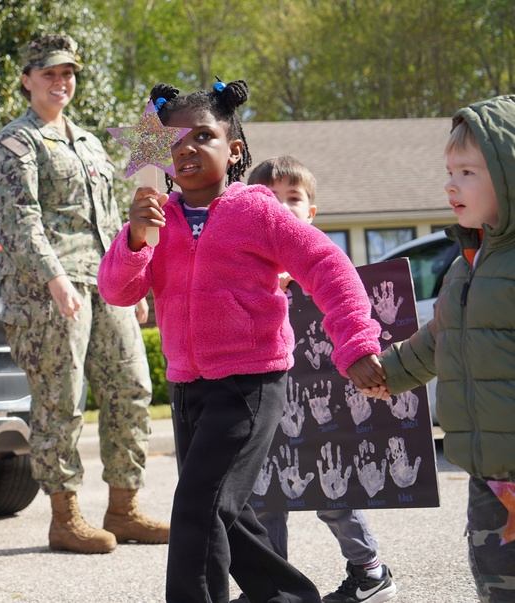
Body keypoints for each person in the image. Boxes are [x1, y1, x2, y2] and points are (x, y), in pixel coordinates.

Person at [96, 80, 386, 603]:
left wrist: (356, 343)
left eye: (201, 136)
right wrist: (134, 240)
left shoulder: (257, 211)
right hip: (188, 388)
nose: (185, 149)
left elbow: (328, 267)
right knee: (227, 515)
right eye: (174, 141)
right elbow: (118, 291)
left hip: (249, 384)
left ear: (233, 149)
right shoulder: (157, 218)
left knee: (198, 508)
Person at [0, 33, 168, 555]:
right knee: (61, 401)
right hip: (48, 290)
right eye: (49, 73)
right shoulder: (16, 143)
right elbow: (20, 222)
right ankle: (65, 518)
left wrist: (133, 279)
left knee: (132, 387)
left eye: (68, 74)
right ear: (27, 79)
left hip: (105, 282)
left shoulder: (87, 142)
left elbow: (110, 219)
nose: (61, 82)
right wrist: (54, 277)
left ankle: (124, 508)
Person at [366, 95, 515, 603]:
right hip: (487, 473)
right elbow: (437, 339)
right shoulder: (464, 264)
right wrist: (387, 371)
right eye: (450, 171)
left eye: (469, 172)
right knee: (494, 579)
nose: (452, 184)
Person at [241, 155, 397, 603]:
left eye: (294, 199)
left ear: (311, 213)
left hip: (321, 407)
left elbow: (345, 296)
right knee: (265, 496)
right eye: (271, 199)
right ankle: (270, 589)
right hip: (266, 405)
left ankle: (370, 571)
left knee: (334, 492)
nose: (283, 207)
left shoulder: (323, 261)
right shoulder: (250, 267)